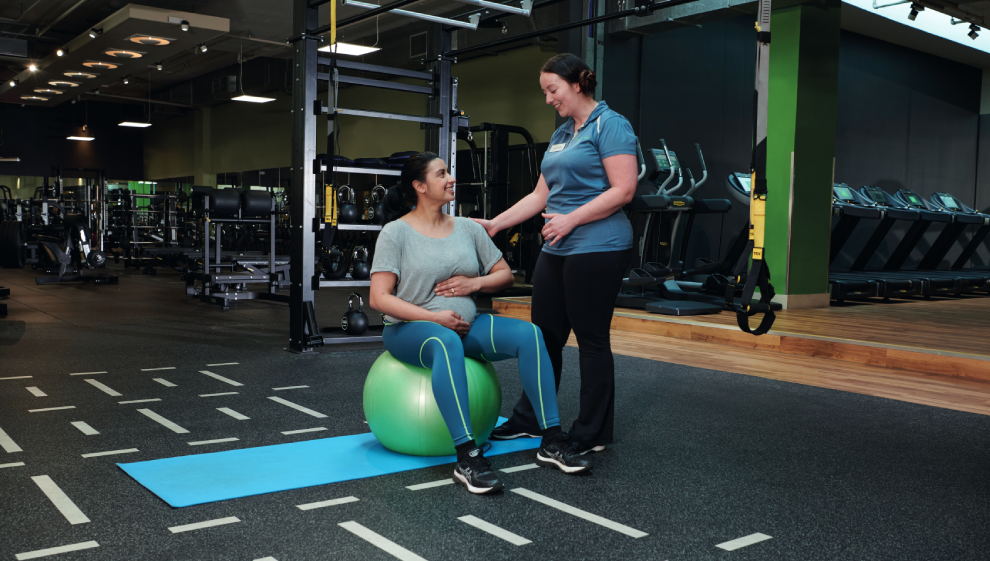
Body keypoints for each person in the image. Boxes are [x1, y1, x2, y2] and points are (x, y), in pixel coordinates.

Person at [368, 151, 590, 495]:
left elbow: (503, 274)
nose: (450, 178)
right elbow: (379, 298)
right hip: (410, 329)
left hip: (465, 325)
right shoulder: (395, 233)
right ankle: (467, 456)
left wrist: (475, 284)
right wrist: (434, 317)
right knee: (444, 341)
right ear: (419, 186)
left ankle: (551, 439)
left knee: (530, 334)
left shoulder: (468, 228)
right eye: (441, 174)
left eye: (448, 172)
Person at [474, 53, 638, 455]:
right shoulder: (564, 133)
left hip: (599, 246)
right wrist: (496, 224)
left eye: (553, 90)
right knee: (543, 338)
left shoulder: (611, 125)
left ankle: (592, 433)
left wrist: (571, 220)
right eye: (545, 92)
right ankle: (532, 419)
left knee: (591, 340)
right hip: (559, 246)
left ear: (577, 84)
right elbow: (539, 196)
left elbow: (623, 190)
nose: (548, 99)